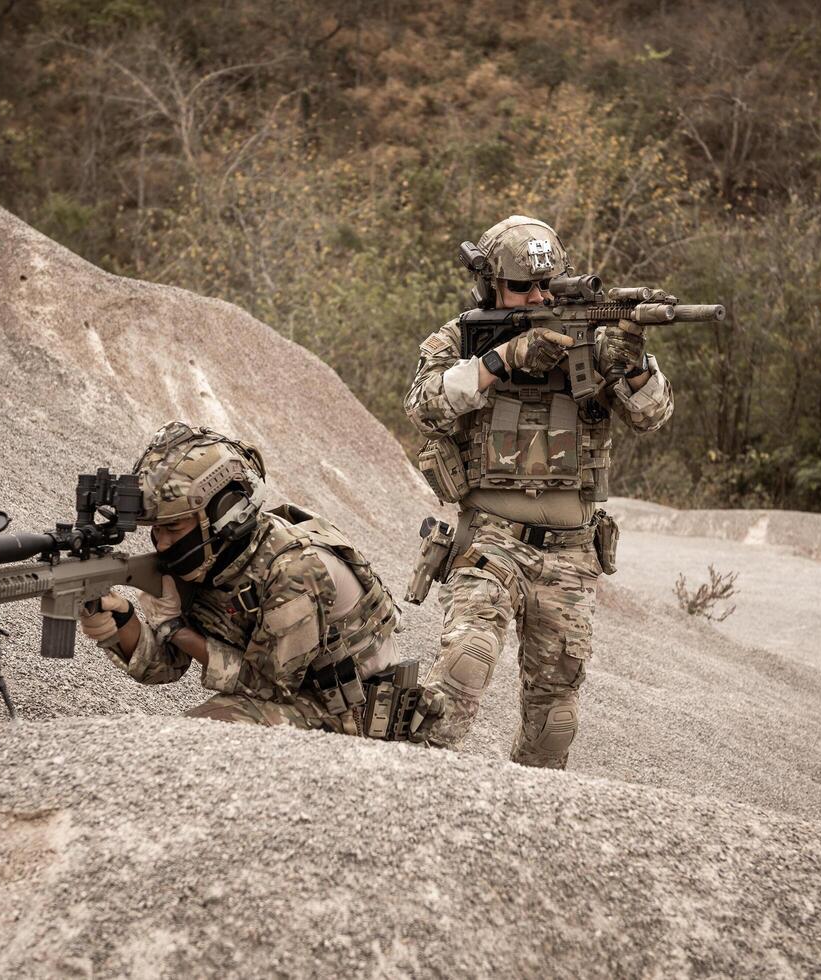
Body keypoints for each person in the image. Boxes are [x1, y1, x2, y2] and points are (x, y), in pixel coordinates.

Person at [403, 215, 674, 768]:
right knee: (462, 669)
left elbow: (652, 416)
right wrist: (501, 361)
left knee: (555, 722)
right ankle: (409, 794)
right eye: (522, 287)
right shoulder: (461, 339)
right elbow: (424, 405)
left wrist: (635, 366)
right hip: (489, 541)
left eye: (546, 285)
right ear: (490, 287)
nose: (539, 296)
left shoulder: (595, 341)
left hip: (571, 553)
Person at [78, 421, 432, 738]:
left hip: (354, 716)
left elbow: (270, 687)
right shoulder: (210, 556)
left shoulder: (293, 569)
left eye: (173, 526)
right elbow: (164, 666)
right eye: (156, 529)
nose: (163, 542)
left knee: (193, 738)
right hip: (300, 698)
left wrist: (174, 627)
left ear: (224, 515)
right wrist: (120, 620)